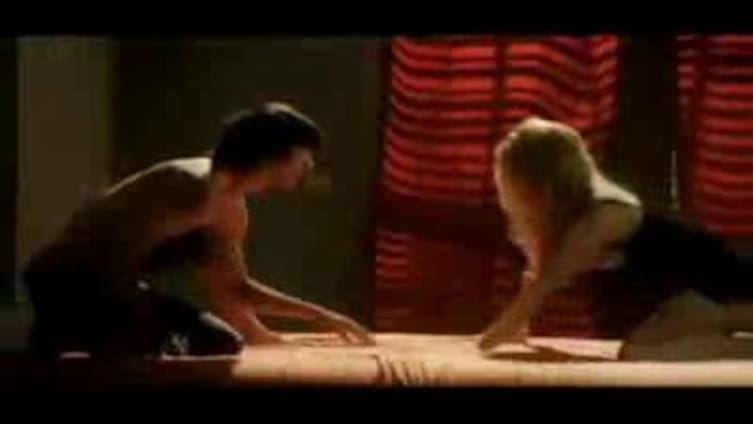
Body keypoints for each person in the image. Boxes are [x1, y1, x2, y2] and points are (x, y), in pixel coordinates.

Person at [23, 102, 375, 359]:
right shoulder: (190, 183)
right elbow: (115, 261)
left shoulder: (231, 209)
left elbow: (234, 288)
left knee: (221, 342)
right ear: (274, 155)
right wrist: (140, 332)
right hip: (65, 280)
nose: (309, 166)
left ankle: (95, 331)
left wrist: (314, 320)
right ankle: (66, 330)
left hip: (116, 285)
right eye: (304, 157)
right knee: (146, 345)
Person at [477, 117, 753, 358]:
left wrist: (494, 336)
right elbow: (534, 281)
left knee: (647, 348)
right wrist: (515, 329)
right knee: (642, 351)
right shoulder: (564, 226)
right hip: (684, 299)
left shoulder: (600, 216)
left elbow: (543, 284)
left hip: (718, 279)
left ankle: (729, 321)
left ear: (544, 189)